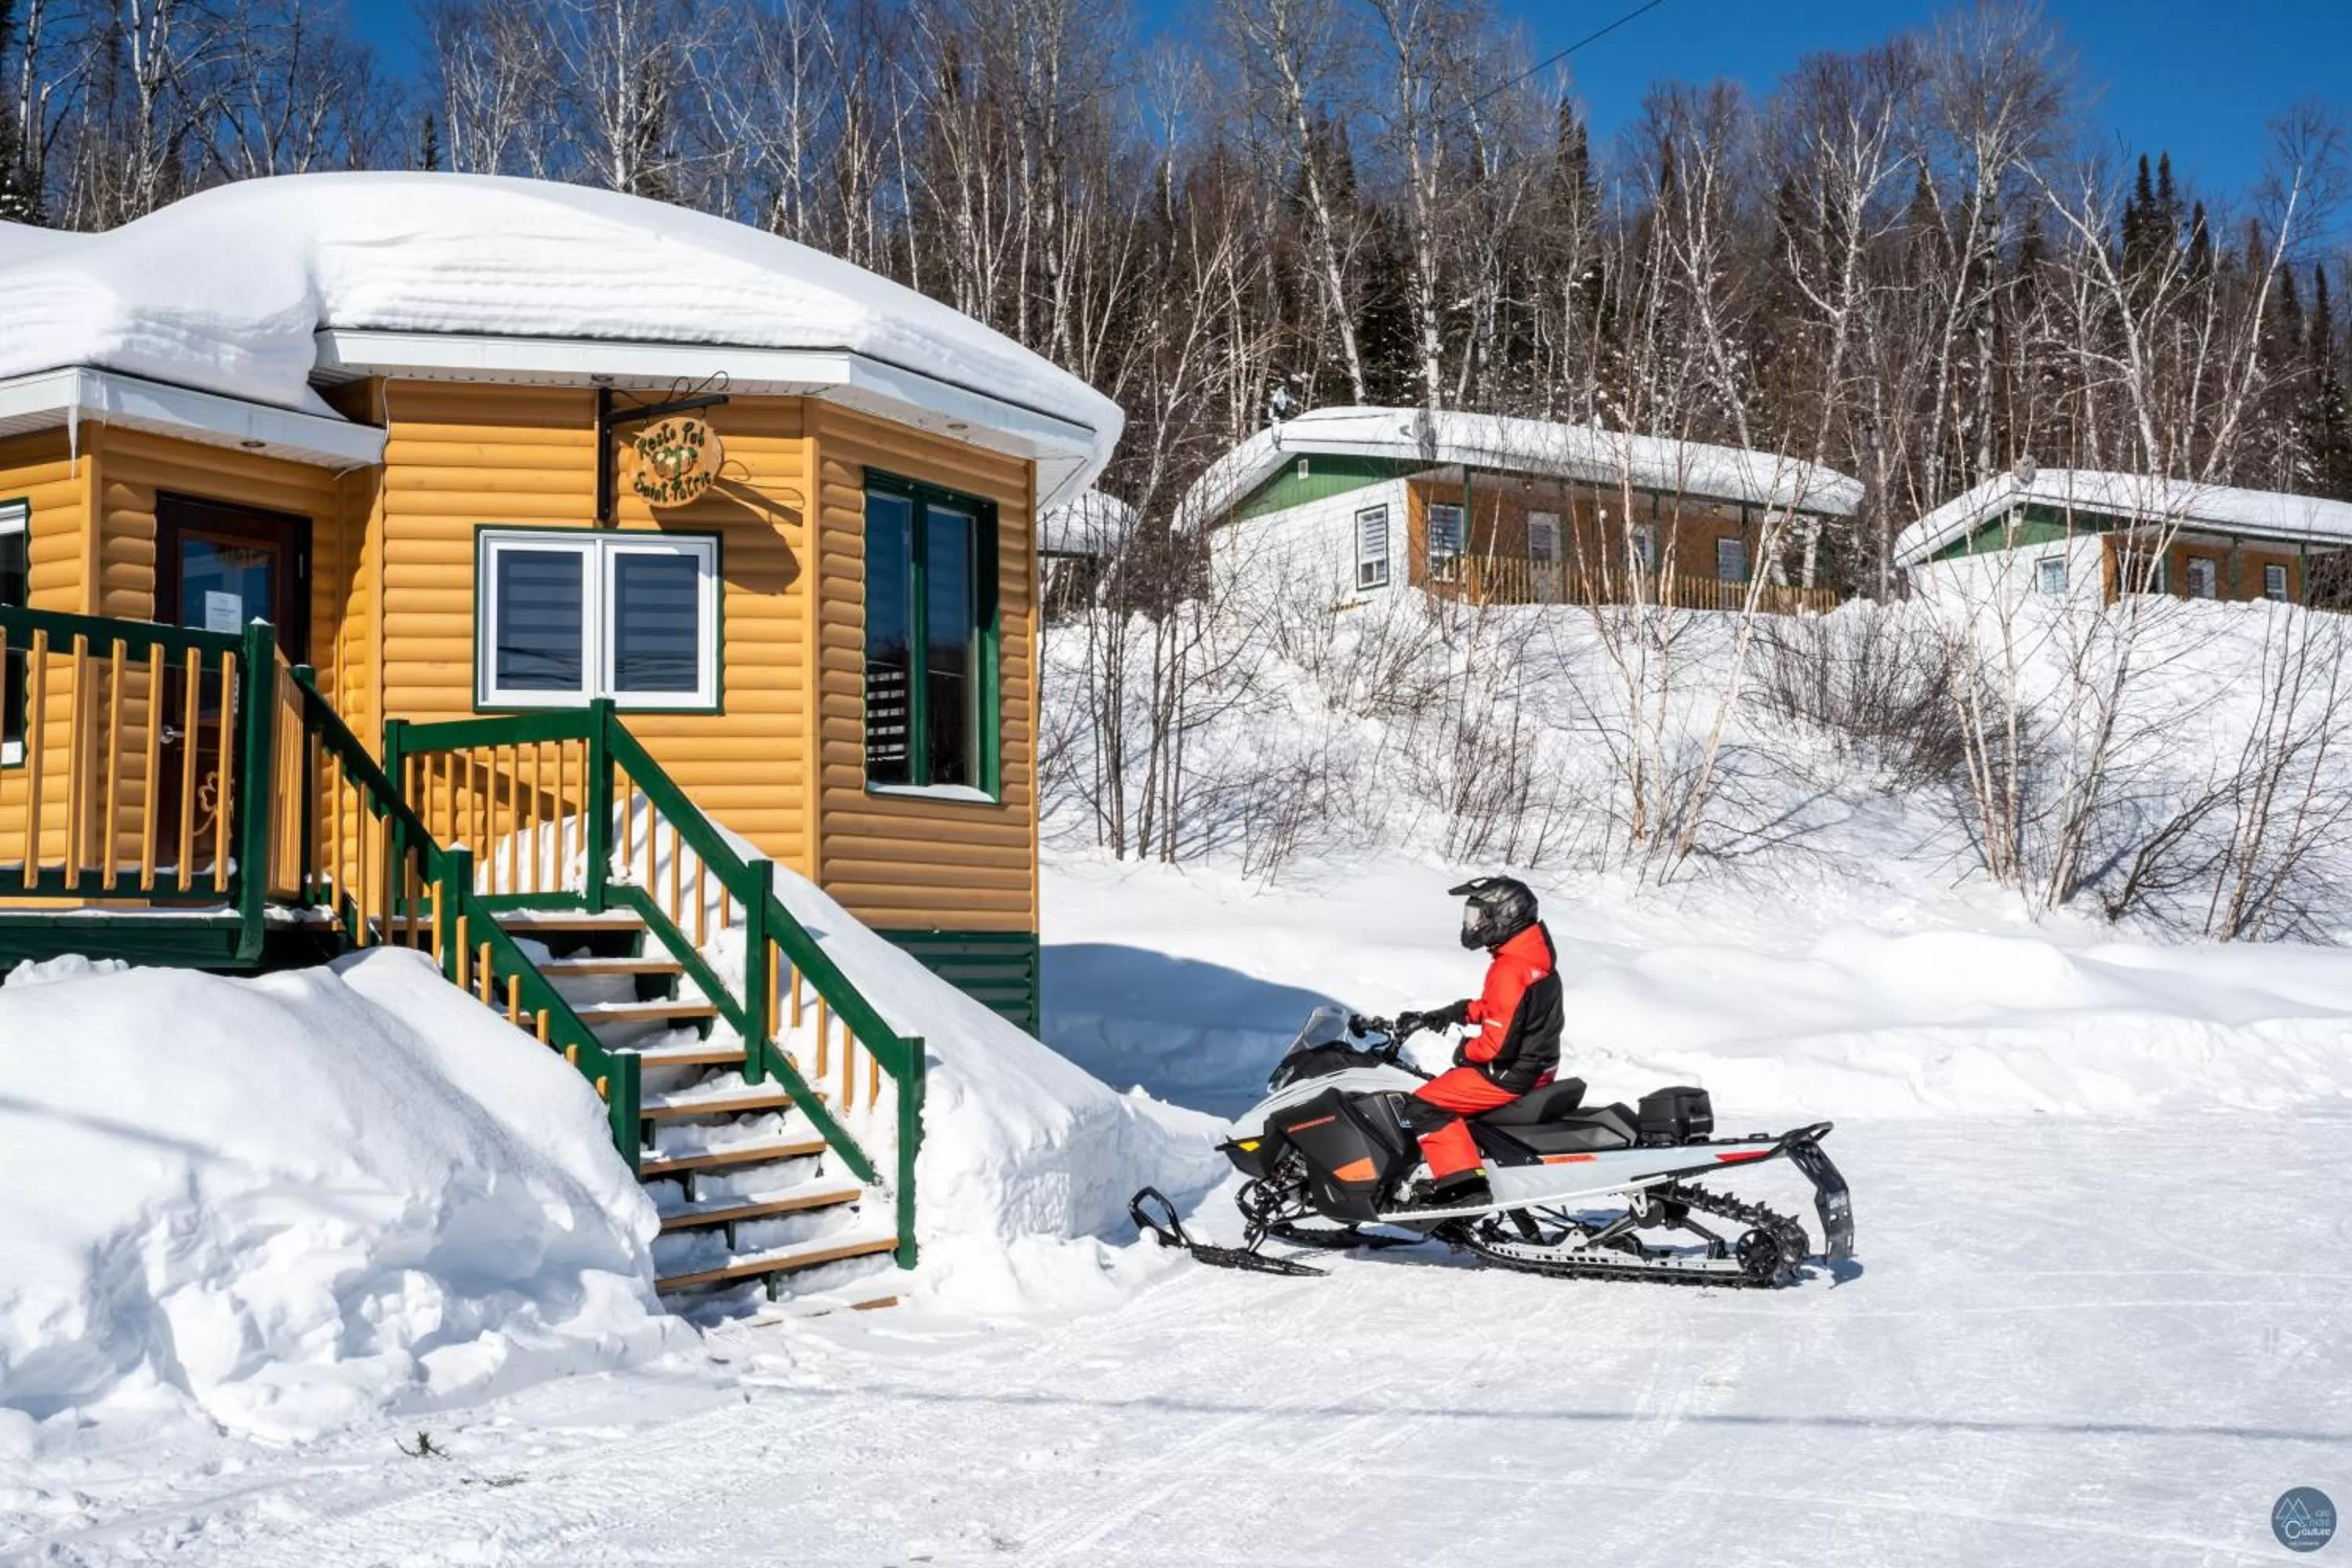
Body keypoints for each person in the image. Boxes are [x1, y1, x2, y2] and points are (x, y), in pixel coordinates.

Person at [1393, 877, 1561, 1208]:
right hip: (1536, 1066)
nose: (1473, 925)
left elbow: (1496, 1046)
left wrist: (1466, 1051)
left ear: (1505, 915)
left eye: (1478, 916)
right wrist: (1457, 1012)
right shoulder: (1530, 956)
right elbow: (1508, 1009)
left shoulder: (1510, 967)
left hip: (1511, 1072)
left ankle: (1462, 1188)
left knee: (1424, 1104)